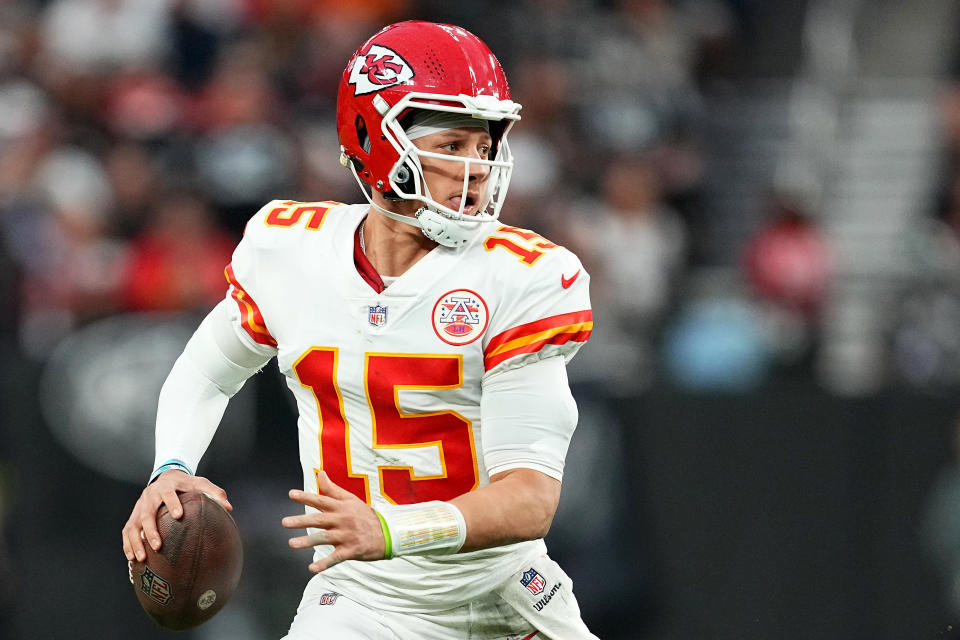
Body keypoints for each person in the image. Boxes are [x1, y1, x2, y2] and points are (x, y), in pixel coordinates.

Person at [121, 20, 598, 640]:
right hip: (362, 603)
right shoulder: (293, 251)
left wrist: (391, 530)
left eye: (483, 148)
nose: (476, 170)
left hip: (503, 597)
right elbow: (206, 373)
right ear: (375, 140)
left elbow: (531, 498)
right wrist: (171, 467)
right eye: (452, 145)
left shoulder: (522, 278)